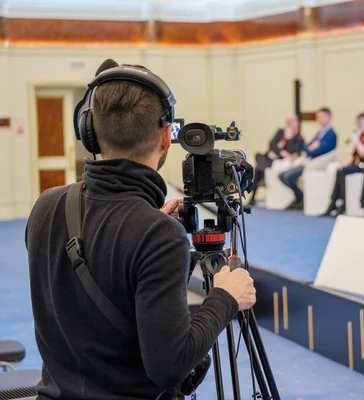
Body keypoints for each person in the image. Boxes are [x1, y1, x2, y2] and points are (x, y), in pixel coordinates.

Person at [25, 61, 256, 400]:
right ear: (166, 138)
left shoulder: (46, 206)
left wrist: (148, 231)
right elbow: (169, 365)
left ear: (89, 132)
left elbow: (88, 283)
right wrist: (225, 298)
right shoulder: (158, 235)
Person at [322, 112, 364, 217]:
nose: (361, 124)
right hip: (360, 164)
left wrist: (356, 141)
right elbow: (354, 155)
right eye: (359, 122)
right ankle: (334, 203)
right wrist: (343, 164)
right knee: (340, 170)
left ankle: (343, 204)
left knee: (344, 172)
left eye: (362, 122)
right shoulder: (362, 135)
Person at [279, 107, 337, 209]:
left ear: (329, 117)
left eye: (322, 116)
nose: (320, 119)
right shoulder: (320, 132)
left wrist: (312, 148)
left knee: (288, 176)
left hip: (316, 163)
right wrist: (312, 147)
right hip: (307, 160)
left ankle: (300, 198)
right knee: (282, 175)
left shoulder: (331, 134)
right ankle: (300, 197)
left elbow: (322, 149)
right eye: (318, 117)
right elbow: (306, 146)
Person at [249, 115, 304, 205]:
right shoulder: (280, 132)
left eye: (291, 122)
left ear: (296, 123)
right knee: (258, 156)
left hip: (279, 161)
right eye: (288, 121)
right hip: (269, 157)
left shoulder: (299, 138)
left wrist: (288, 139)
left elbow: (292, 151)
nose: (289, 124)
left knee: (259, 169)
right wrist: (280, 151)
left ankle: (252, 197)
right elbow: (271, 144)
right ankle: (263, 169)